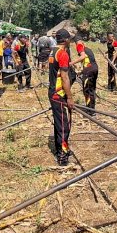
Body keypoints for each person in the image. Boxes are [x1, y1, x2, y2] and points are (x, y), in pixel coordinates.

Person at [48, 29, 75, 166]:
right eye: (69, 39)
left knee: (59, 123)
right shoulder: (63, 54)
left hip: (52, 91)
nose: (70, 41)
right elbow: (64, 77)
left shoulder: (53, 51)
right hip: (58, 94)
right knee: (64, 125)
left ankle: (61, 149)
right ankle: (62, 156)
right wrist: (69, 97)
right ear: (65, 40)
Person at [71, 37, 98, 114]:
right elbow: (88, 61)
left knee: (87, 90)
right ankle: (92, 109)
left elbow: (82, 57)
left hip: (89, 70)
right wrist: (82, 71)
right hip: (94, 68)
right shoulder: (87, 49)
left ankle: (89, 110)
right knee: (92, 89)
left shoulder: (79, 45)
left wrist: (72, 63)